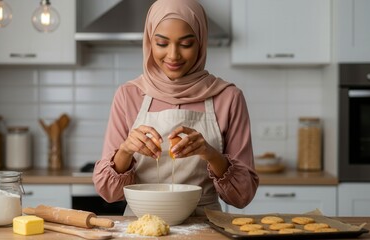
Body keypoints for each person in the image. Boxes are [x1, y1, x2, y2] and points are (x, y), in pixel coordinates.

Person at [93, 0, 258, 216]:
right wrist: (125, 150)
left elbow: (242, 196)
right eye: (162, 43)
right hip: (140, 227)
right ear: (149, 42)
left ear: (201, 42)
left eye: (186, 44)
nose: (173, 55)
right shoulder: (128, 95)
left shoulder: (228, 97)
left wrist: (209, 153)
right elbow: (108, 192)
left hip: (205, 227)